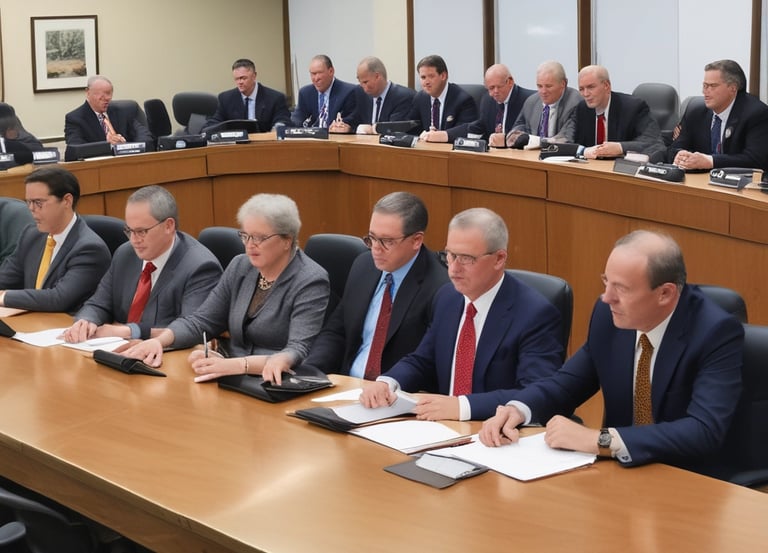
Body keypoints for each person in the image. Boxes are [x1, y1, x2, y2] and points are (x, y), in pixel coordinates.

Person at [479, 230, 744, 476]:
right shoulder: (608, 316)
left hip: (685, 478)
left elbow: (703, 430)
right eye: (607, 282)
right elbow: (566, 384)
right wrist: (519, 408)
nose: (607, 298)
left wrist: (600, 439)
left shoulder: (714, 332)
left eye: (622, 289)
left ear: (665, 293)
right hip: (619, 474)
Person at [360, 208, 563, 421]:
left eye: (466, 258)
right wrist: (387, 382)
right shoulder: (447, 297)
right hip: (441, 427)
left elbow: (536, 392)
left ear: (499, 258)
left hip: (494, 430)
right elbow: (423, 360)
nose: (454, 269)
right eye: (450, 255)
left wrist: (463, 407)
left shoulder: (535, 314)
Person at [120, 194, 330, 386]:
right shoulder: (240, 266)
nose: (250, 245)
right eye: (245, 236)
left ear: (287, 240)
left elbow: (297, 350)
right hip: (231, 377)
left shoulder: (310, 280)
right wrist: (158, 342)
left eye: (259, 238)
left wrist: (236, 365)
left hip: (277, 383)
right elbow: (202, 320)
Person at [300, 191, 449, 377]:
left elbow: (427, 361)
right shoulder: (363, 266)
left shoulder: (440, 287)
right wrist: (309, 373)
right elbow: (337, 332)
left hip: (396, 389)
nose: (376, 249)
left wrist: (386, 385)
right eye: (371, 238)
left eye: (387, 241)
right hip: (347, 385)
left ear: (416, 240)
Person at [62, 185, 222, 342]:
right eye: (129, 231)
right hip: (117, 350)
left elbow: (192, 329)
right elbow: (98, 303)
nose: (134, 240)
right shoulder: (125, 254)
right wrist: (86, 321)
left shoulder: (200, 267)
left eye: (141, 232)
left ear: (168, 226)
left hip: (165, 355)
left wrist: (130, 331)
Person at [0, 167, 111, 313]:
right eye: (28, 202)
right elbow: (6, 278)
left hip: (66, 323)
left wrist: (4, 297)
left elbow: (58, 299)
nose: (31, 209)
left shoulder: (89, 249)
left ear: (67, 201)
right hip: (33, 319)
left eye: (38, 202)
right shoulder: (31, 235)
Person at [669, 59, 768, 172]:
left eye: (712, 86)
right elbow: (673, 148)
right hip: (700, 180)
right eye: (705, 86)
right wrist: (680, 155)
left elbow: (756, 160)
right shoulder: (695, 112)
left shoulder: (756, 114)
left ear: (733, 88)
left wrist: (711, 161)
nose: (705, 92)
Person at [570, 65, 666, 161]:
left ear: (606, 86)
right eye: (581, 89)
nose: (585, 94)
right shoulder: (581, 109)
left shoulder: (633, 107)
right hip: (591, 167)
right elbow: (567, 140)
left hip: (622, 167)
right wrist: (583, 151)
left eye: (591, 87)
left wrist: (620, 147)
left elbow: (654, 142)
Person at [64, 75, 153, 161]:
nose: (107, 98)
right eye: (101, 95)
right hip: (99, 167)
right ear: (88, 92)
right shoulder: (75, 118)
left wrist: (125, 146)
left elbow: (146, 138)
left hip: (129, 162)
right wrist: (108, 144)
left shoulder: (124, 111)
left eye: (109, 93)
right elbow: (75, 151)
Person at [203, 58, 291, 133]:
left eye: (244, 78)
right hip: (237, 145)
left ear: (254, 76)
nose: (240, 82)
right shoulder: (225, 98)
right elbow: (215, 121)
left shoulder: (275, 98)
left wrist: (276, 129)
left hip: (266, 143)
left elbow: (282, 120)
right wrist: (206, 131)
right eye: (237, 79)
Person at [505, 60, 581, 148]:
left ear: (563, 83)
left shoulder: (576, 102)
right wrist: (512, 137)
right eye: (539, 86)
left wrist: (533, 141)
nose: (543, 91)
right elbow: (519, 127)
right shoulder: (532, 102)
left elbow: (565, 139)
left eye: (548, 86)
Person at [406, 54, 478, 143]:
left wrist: (439, 136)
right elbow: (411, 128)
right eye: (423, 77)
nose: (426, 82)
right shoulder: (420, 98)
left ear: (443, 76)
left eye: (431, 76)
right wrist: (423, 136)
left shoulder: (463, 100)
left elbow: (467, 131)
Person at [340, 56, 416, 134]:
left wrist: (372, 129)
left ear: (377, 76)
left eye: (365, 82)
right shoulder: (360, 94)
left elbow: (395, 129)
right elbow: (353, 121)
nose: (362, 86)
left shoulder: (403, 97)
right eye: (360, 82)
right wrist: (346, 127)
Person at [466, 64, 535, 144]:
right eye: (491, 88)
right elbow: (481, 126)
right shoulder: (487, 101)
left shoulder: (529, 101)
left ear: (510, 82)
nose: (495, 91)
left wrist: (505, 140)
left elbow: (530, 134)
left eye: (499, 86)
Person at [291, 55, 357, 130]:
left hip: (336, 136)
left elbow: (352, 122)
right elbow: (297, 119)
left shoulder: (349, 92)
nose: (316, 78)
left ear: (331, 71)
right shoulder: (305, 93)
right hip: (312, 136)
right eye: (313, 74)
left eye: (319, 73)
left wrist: (344, 127)